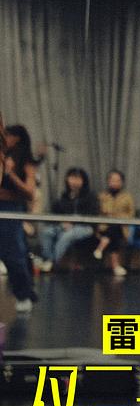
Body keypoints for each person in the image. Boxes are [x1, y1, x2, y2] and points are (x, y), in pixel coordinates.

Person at [0, 123, 40, 312]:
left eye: (8, 135)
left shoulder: (25, 161)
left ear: (17, 138)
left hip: (11, 207)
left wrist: (11, 174)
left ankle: (24, 293)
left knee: (13, 254)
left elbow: (30, 192)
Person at [38, 167, 98, 272]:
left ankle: (53, 263)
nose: (74, 181)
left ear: (83, 180)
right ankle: (48, 259)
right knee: (46, 232)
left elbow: (92, 215)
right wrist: (62, 223)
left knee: (66, 236)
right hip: (63, 225)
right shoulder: (64, 197)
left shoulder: (90, 196)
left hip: (85, 227)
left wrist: (73, 222)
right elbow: (55, 214)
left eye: (78, 178)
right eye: (72, 178)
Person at [94, 169, 136, 276]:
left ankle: (101, 246)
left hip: (122, 227)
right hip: (104, 227)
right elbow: (98, 212)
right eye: (113, 180)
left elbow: (131, 214)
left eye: (118, 180)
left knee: (115, 228)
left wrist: (118, 217)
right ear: (108, 181)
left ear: (122, 182)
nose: (115, 183)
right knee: (113, 232)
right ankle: (116, 266)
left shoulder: (127, 197)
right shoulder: (102, 196)